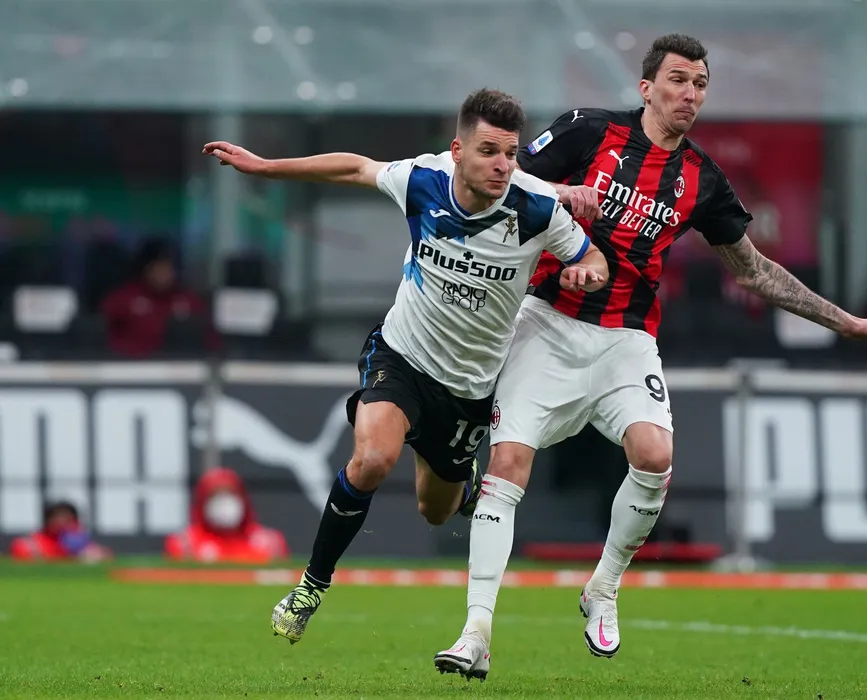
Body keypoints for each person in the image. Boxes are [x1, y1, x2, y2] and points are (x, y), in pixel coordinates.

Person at [434, 34, 867, 675]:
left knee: (654, 457)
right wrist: (561, 203)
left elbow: (753, 270)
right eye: (678, 80)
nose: (690, 94)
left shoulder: (702, 179)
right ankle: (476, 633)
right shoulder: (588, 131)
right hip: (547, 322)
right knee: (508, 463)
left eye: (700, 83)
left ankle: (603, 587)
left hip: (627, 338)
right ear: (646, 88)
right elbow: (505, 179)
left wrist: (844, 321)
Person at [201, 88, 609, 649]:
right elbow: (356, 168)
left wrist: (587, 272)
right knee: (372, 458)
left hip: (467, 388)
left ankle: (459, 481)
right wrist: (265, 167)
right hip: (402, 356)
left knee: (435, 510)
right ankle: (310, 587)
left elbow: (591, 257)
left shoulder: (537, 207)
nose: (502, 165)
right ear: (458, 150)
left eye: (511, 154)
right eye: (489, 151)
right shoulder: (423, 180)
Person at [100, 238, 216, 358]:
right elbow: (101, 342)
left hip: (181, 365)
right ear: (145, 269)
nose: (163, 274)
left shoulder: (190, 300)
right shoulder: (121, 300)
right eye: (157, 267)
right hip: (131, 365)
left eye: (168, 268)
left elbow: (210, 342)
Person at [164, 467, 289, 564]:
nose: (224, 503)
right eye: (216, 495)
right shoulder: (185, 545)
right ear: (203, 501)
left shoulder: (270, 543)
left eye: (231, 494)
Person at [9, 501, 111, 563]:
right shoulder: (31, 544)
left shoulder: (78, 543)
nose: (62, 523)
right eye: (58, 518)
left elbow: (103, 556)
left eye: (68, 520)